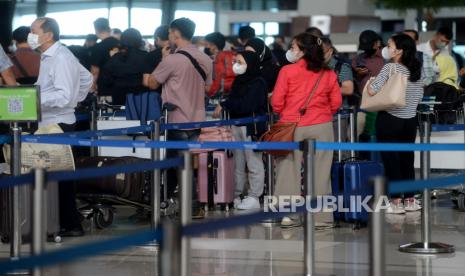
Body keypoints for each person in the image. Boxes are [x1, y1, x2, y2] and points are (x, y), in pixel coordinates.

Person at [143, 17, 213, 219]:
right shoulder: (205, 59)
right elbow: (208, 87)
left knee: (178, 165)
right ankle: (177, 203)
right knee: (188, 163)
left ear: (174, 34)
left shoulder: (172, 59)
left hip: (177, 118)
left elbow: (152, 84)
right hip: (198, 118)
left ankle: (187, 206)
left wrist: (161, 63)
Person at [30, 17, 93, 236]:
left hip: (58, 123)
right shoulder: (49, 56)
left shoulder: (61, 57)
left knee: (60, 178)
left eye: (34, 30)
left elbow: (64, 95)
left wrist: (35, 100)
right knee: (55, 176)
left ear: (48, 35)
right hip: (50, 122)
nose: (31, 34)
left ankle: (70, 224)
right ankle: (61, 222)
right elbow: (86, 77)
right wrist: (78, 96)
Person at [272, 33, 342, 227]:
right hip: (322, 125)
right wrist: (323, 113)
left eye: (293, 47)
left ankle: (289, 215)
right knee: (322, 170)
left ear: (303, 51)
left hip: (292, 125)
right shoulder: (328, 73)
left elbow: (276, 102)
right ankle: (321, 218)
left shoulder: (287, 71)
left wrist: (285, 111)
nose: (291, 51)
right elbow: (336, 102)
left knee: (288, 168)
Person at [367, 34, 423, 214]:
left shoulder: (390, 67)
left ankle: (396, 202)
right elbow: (419, 95)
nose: (386, 48)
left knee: (391, 161)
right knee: (407, 160)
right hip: (409, 121)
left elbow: (373, 90)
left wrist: (370, 83)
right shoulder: (417, 68)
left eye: (389, 45)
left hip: (390, 119)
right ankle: (410, 200)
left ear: (399, 50)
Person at [212, 51, 267, 210]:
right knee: (237, 163)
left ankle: (254, 195)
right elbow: (235, 101)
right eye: (236, 61)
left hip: (252, 127)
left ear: (250, 63)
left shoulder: (258, 82)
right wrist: (228, 103)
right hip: (236, 125)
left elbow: (247, 105)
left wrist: (226, 104)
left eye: (240, 62)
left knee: (253, 162)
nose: (236, 65)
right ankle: (236, 194)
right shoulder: (239, 81)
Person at [101, 28, 160, 122]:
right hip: (142, 106)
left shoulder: (114, 58)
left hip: (118, 105)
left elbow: (106, 81)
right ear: (139, 41)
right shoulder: (146, 57)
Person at [352, 30, 385, 160]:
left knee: (380, 138)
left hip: (383, 105)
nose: (365, 51)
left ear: (377, 43)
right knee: (358, 136)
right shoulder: (358, 59)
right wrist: (357, 74)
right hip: (363, 105)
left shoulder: (386, 58)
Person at [90, 18, 120, 100]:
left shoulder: (97, 47)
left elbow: (95, 71)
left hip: (105, 87)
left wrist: (92, 87)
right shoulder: (120, 44)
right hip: (122, 86)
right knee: (122, 111)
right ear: (109, 29)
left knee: (106, 111)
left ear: (96, 30)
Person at [204, 32, 236, 98]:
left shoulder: (213, 61)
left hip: (215, 98)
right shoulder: (231, 57)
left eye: (206, 44)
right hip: (230, 95)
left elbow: (213, 86)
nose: (205, 47)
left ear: (213, 45)